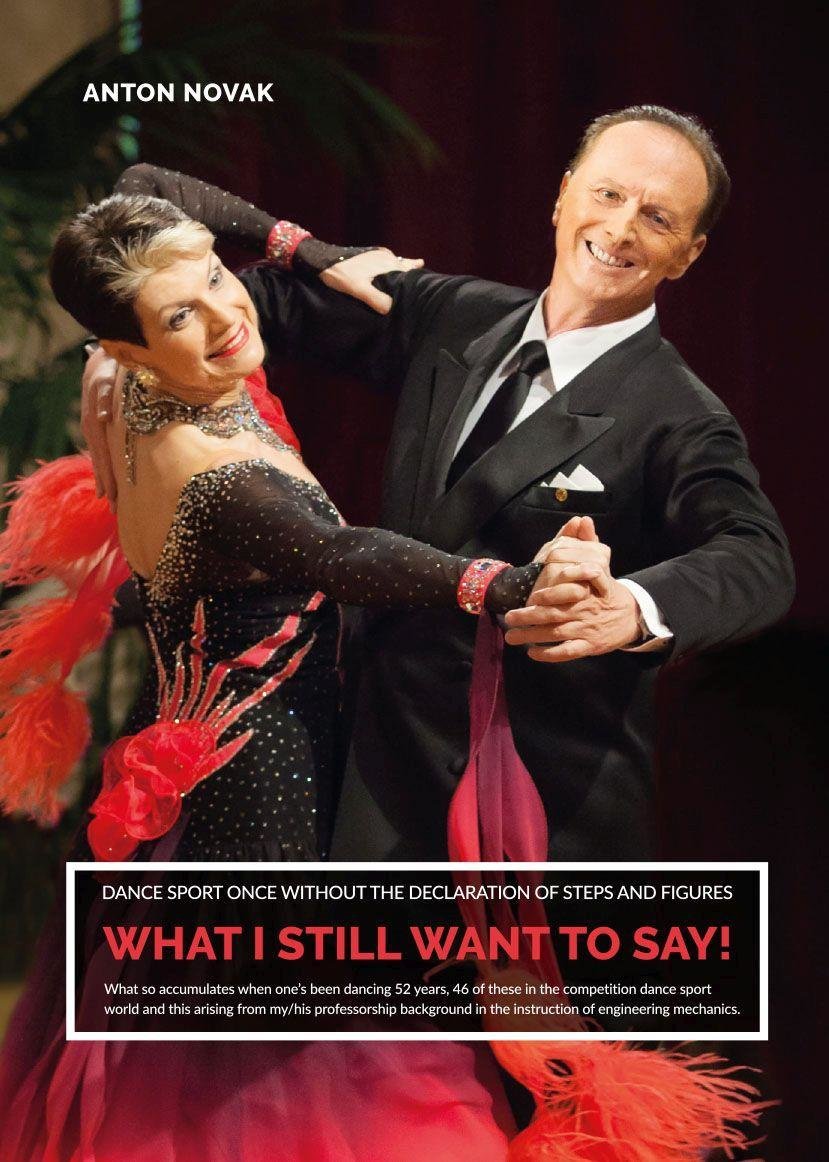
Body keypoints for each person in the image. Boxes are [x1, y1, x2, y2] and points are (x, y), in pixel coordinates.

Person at [0, 190, 580, 1161]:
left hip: (193, 761)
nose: (226, 313)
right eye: (181, 315)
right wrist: (503, 584)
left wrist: (305, 252)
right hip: (266, 798)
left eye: (217, 278)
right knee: (290, 1080)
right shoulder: (213, 472)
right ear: (132, 347)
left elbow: (146, 178)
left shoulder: (129, 383)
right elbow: (340, 557)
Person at [84, 105, 794, 869]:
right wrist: (133, 343)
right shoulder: (452, 314)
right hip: (373, 781)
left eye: (656, 218)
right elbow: (171, 228)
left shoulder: (679, 414)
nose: (620, 229)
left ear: (687, 254)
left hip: (539, 810)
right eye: (607, 194)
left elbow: (758, 557)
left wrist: (632, 607)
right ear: (562, 196)